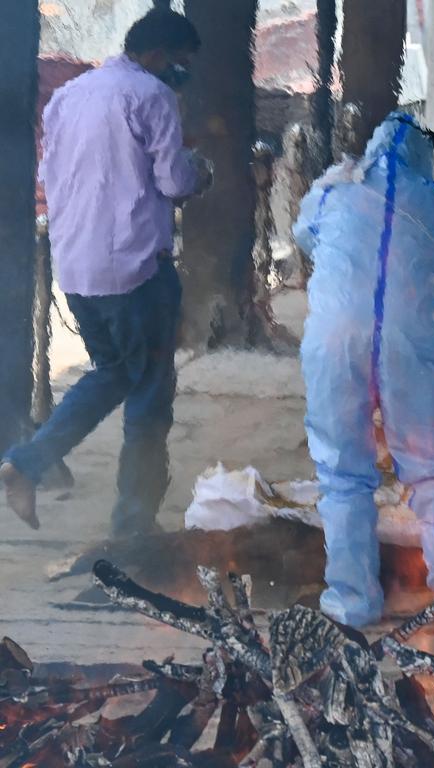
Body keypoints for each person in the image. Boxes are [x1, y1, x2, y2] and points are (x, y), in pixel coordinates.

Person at [1, 9, 210, 536]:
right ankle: (133, 526)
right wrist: (200, 171)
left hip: (76, 269)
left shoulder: (70, 95)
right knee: (149, 398)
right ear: (161, 54)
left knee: (112, 374)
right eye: (180, 63)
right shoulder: (152, 96)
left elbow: (51, 174)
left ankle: (25, 463)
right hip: (136, 271)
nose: (180, 73)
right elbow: (174, 180)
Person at [294, 112, 434, 628]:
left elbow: (305, 236)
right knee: (432, 469)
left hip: (334, 341)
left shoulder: (335, 187)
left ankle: (351, 602)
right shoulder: (432, 200)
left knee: (342, 473)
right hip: (408, 346)